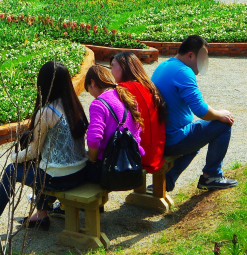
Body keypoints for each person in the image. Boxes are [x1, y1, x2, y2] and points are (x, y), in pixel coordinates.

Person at [0, 61, 88, 235]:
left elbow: (33, 152)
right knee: (40, 166)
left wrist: (14, 156)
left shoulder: (47, 112)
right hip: (80, 173)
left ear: (44, 83)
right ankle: (41, 215)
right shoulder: (74, 106)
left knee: (12, 171)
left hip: (60, 179)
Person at [151, 35, 237, 192]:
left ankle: (166, 180)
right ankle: (212, 176)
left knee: (195, 140)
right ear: (190, 55)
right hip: (173, 140)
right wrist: (220, 114)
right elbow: (201, 111)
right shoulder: (184, 72)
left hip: (160, 138)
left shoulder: (164, 65)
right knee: (223, 124)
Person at [83, 65, 144, 183]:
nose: (91, 94)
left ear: (92, 83)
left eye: (89, 89)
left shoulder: (98, 104)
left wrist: (92, 160)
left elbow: (94, 138)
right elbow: (137, 131)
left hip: (109, 167)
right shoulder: (127, 97)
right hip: (133, 161)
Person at [111, 51, 167, 174]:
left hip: (140, 156)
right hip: (157, 152)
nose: (111, 71)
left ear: (124, 67)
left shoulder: (122, 89)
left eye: (113, 66)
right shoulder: (147, 85)